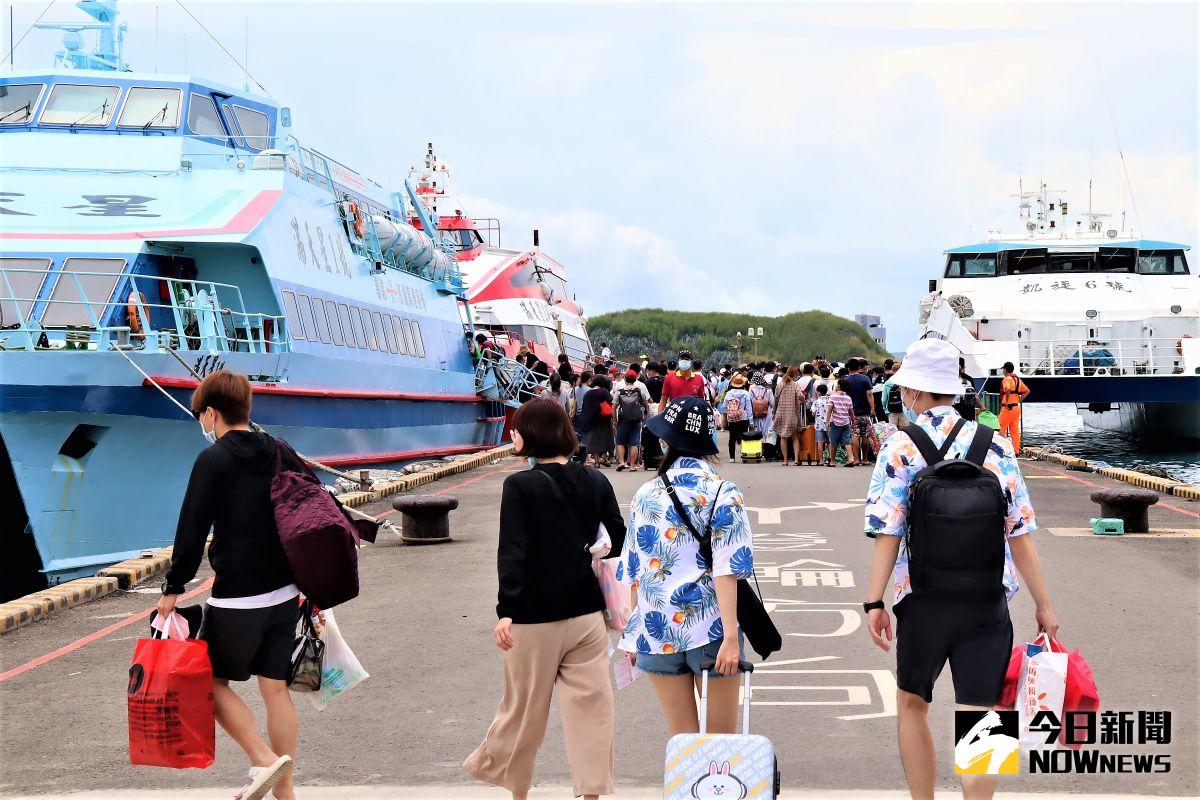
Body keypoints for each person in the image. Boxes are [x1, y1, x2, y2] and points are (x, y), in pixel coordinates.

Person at [862, 338, 1058, 800]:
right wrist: (1045, 606)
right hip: (986, 600)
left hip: (924, 600)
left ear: (911, 391)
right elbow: (1020, 531)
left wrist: (874, 602)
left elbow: (887, 532)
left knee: (912, 704)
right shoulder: (995, 443)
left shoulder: (899, 446)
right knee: (982, 716)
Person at [465, 398, 626, 800]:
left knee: (524, 713)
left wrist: (507, 612)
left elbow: (513, 551)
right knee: (591, 710)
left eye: (517, 428)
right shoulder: (595, 480)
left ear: (534, 434)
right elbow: (618, 537)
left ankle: (518, 793)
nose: (513, 434)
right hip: (587, 614)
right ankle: (590, 794)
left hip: (534, 618)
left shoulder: (519, 485)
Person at [157, 371, 299, 800]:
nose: (201, 422)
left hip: (240, 594)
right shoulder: (280, 451)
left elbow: (192, 529)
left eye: (200, 414)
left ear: (212, 413)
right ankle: (285, 793)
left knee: (209, 684)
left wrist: (173, 588)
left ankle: (263, 760)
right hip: (287, 590)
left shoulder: (213, 460)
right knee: (274, 687)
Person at [618, 396, 754, 736]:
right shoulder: (724, 492)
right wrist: (731, 641)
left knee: (684, 742)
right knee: (720, 741)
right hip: (711, 629)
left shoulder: (645, 494)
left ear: (667, 441)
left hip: (656, 628)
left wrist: (635, 635)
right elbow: (727, 569)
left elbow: (636, 571)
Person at [614, 369, 651, 471]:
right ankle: (632, 466)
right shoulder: (639, 391)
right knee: (634, 442)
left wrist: (614, 419)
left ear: (625, 379)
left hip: (622, 419)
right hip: (636, 419)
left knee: (620, 441)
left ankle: (622, 462)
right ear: (635, 379)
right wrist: (645, 414)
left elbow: (614, 405)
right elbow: (646, 404)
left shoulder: (620, 391)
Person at [843, 358, 876, 465]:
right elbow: (869, 394)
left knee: (854, 434)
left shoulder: (846, 380)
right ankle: (865, 459)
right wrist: (872, 408)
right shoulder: (865, 378)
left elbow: (844, 396)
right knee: (865, 435)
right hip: (865, 412)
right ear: (858, 367)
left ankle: (856, 459)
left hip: (852, 412)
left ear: (848, 368)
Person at [579, 375, 616, 467]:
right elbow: (612, 401)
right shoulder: (604, 392)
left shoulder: (588, 393)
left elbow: (585, 407)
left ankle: (596, 462)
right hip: (603, 420)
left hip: (591, 421)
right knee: (607, 439)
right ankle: (605, 457)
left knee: (594, 441)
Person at [772, 366, 805, 467]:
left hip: (781, 413)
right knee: (795, 437)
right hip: (792, 413)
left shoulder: (780, 385)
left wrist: (774, 412)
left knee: (783, 437)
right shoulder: (795, 385)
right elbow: (801, 396)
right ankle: (795, 459)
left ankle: (785, 460)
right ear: (795, 374)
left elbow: (775, 400)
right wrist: (803, 400)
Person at [720, 373, 753, 461]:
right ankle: (744, 455)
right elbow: (749, 408)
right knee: (744, 436)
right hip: (743, 417)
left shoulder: (729, 393)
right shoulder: (746, 393)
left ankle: (732, 457)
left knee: (732, 437)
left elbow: (724, 406)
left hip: (732, 418)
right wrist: (751, 421)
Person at [998, 362, 1029, 452]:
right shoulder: (1017, 379)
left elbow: (1007, 389)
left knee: (999, 429)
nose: (1003, 370)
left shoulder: (1007, 379)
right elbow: (1027, 391)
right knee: (1015, 431)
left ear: (1006, 369)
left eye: (1003, 369)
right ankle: (1016, 451)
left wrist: (1007, 402)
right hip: (1016, 408)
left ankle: (1001, 450)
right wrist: (1019, 400)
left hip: (1007, 408)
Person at [827, 377, 857, 466]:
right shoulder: (848, 398)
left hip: (835, 422)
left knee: (834, 442)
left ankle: (832, 461)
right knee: (847, 441)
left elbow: (829, 410)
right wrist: (853, 422)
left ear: (838, 386)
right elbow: (851, 412)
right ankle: (851, 457)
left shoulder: (833, 396)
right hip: (846, 422)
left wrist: (827, 421)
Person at [747, 372, 776, 444]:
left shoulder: (751, 389)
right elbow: (772, 403)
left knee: (757, 430)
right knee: (767, 430)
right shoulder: (768, 390)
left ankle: (758, 448)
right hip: (767, 413)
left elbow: (749, 402)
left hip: (755, 413)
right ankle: (767, 448)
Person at [954, 357, 984, 422]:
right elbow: (974, 395)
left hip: (955, 413)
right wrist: (981, 407)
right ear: (963, 367)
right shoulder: (968, 379)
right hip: (968, 413)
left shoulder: (949, 379)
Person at [810, 383, 833, 466]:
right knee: (830, 442)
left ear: (818, 392)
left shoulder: (816, 402)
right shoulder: (830, 400)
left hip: (819, 425)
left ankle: (821, 460)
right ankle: (831, 459)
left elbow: (813, 413)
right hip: (829, 423)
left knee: (820, 442)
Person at [881, 360, 907, 429]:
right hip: (903, 409)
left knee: (893, 430)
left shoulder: (887, 383)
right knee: (904, 430)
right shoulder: (905, 381)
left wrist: (885, 409)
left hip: (891, 410)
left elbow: (884, 399)